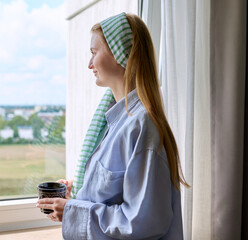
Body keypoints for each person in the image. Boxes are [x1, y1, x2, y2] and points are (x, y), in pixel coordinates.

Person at [36, 12, 189, 239]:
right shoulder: (116, 122)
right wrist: (78, 195)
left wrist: (72, 210)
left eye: (94, 53)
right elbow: (114, 194)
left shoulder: (142, 127)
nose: (90, 64)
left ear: (119, 54)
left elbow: (142, 221)